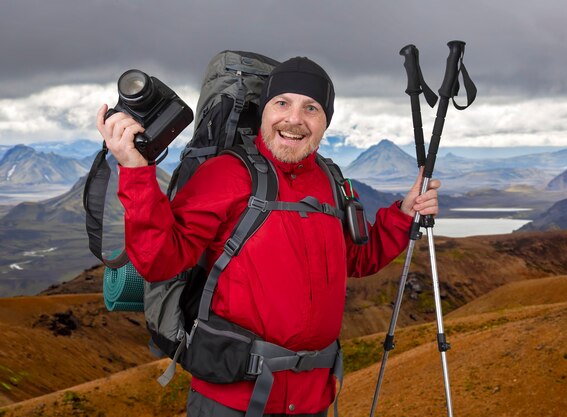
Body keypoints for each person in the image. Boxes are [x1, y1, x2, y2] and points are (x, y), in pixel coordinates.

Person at [96, 56, 440, 417]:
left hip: (313, 401)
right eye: (282, 103)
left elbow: (356, 257)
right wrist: (135, 171)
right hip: (231, 401)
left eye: (311, 107)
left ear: (326, 123)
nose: (294, 119)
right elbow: (160, 260)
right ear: (264, 112)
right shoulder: (225, 174)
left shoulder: (331, 182)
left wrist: (403, 214)